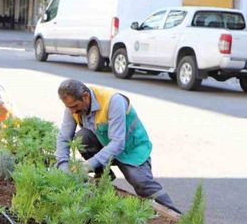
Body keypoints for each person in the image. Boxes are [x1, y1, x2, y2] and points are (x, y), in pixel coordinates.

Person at [55, 79, 179, 213]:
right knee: (82, 137)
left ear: (85, 96)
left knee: (142, 184)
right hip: (104, 146)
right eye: (69, 107)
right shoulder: (72, 107)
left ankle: (176, 216)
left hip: (131, 149)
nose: (72, 110)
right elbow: (64, 137)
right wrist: (63, 165)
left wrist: (89, 164)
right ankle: (103, 175)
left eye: (74, 106)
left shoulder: (113, 101)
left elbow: (118, 143)